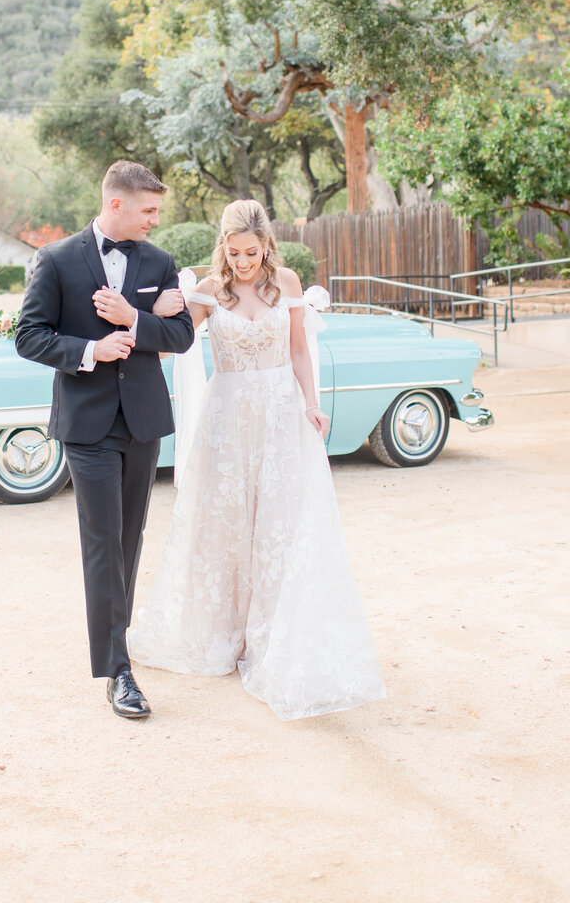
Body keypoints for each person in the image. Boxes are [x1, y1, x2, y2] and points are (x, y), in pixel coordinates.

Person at [128, 199, 386, 720]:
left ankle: (272, 632)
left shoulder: (286, 283)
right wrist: (147, 316)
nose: (243, 262)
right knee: (224, 523)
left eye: (252, 251)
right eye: (234, 251)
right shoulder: (206, 289)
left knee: (278, 524)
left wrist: (312, 404)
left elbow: (297, 350)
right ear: (223, 245)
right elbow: (172, 344)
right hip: (227, 418)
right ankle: (226, 630)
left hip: (280, 414)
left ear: (267, 245)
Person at [15, 161, 194, 719]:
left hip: (142, 421)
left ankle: (118, 642)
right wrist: (92, 351)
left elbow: (183, 336)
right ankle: (118, 670)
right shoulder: (57, 259)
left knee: (128, 540)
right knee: (102, 543)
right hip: (87, 425)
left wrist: (135, 319)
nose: (155, 220)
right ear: (116, 203)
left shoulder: (158, 263)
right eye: (148, 210)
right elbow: (29, 336)